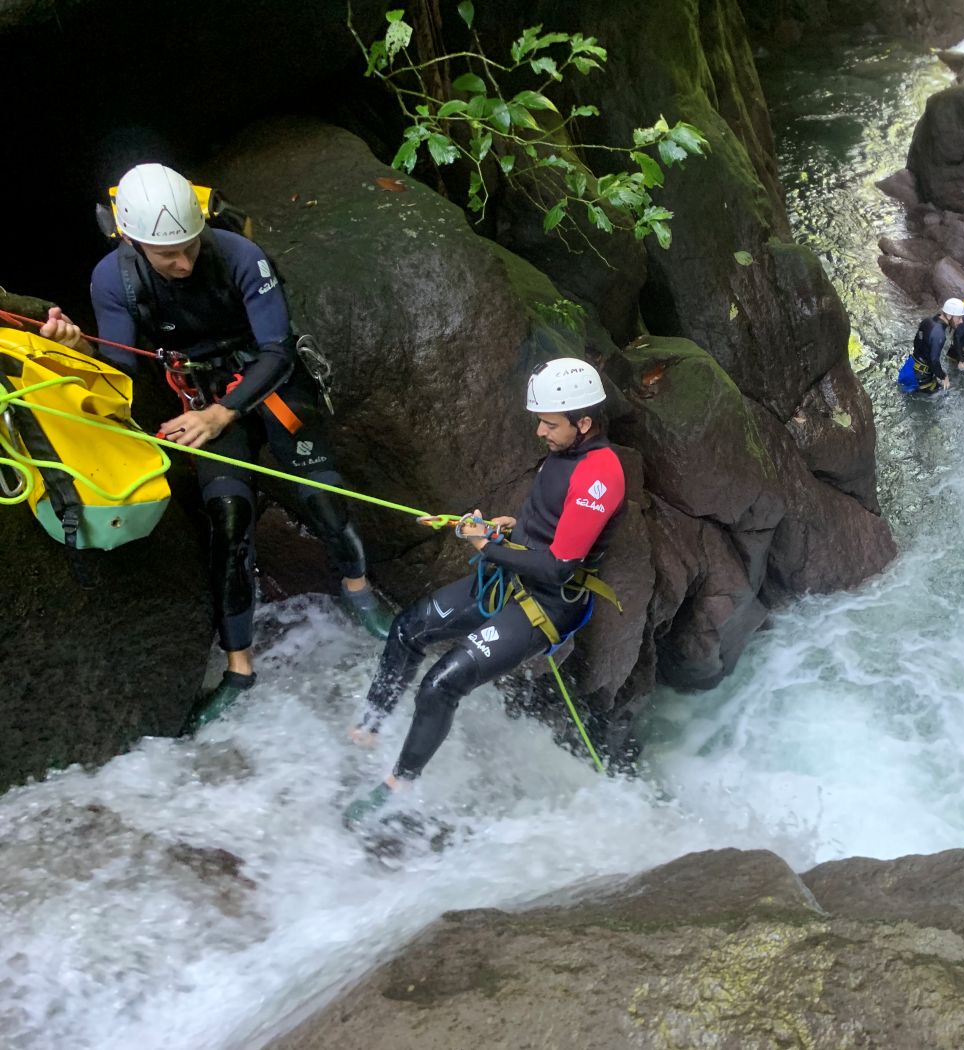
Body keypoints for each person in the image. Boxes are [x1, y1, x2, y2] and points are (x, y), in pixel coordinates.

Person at [42, 163, 393, 727]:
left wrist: (221, 412)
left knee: (323, 495)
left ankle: (358, 590)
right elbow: (121, 367)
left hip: (265, 383)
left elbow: (277, 350)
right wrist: (74, 344)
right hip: (203, 396)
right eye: (167, 255)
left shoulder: (237, 256)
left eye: (188, 246)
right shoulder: (114, 278)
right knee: (228, 519)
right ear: (133, 240)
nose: (182, 262)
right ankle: (239, 668)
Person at [343, 358, 625, 825]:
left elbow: (558, 568)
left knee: (441, 685)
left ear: (585, 423)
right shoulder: (565, 453)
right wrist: (504, 527)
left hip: (549, 602)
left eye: (549, 424)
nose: (540, 432)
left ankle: (399, 784)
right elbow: (549, 521)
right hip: (516, 575)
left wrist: (486, 547)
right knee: (409, 628)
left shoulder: (601, 473)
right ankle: (369, 727)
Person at [909, 298, 964, 393]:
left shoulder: (927, 321)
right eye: (959, 318)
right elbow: (933, 360)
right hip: (922, 377)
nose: (961, 321)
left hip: (912, 365)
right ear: (949, 315)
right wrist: (943, 376)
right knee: (948, 392)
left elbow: (916, 343)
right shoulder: (939, 334)